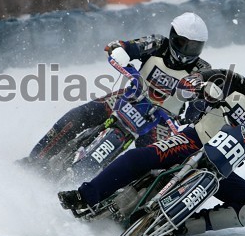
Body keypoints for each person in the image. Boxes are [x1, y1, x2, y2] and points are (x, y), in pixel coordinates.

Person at [58, 51, 245, 236]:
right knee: (139, 158)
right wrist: (200, 88)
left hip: (220, 170)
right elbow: (186, 84)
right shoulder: (230, 80)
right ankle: (85, 196)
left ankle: (185, 227)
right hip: (192, 142)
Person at [18, 12, 211, 169]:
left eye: (194, 46)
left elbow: (203, 102)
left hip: (162, 121)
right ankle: (35, 160)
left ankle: (117, 200)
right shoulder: (158, 43)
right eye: (182, 43)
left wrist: (196, 111)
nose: (187, 50)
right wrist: (120, 49)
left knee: (155, 164)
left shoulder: (202, 70)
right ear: (172, 37)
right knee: (76, 117)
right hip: (131, 98)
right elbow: (127, 46)